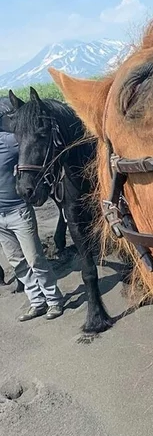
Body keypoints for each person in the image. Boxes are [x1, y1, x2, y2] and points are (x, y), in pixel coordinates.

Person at [0, 97, 63, 321]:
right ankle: (36, 302)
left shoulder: (10, 141)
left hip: (18, 211)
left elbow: (35, 143)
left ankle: (54, 300)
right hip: (0, 218)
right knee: (17, 262)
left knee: (35, 259)